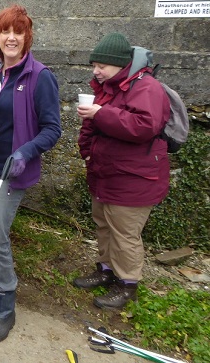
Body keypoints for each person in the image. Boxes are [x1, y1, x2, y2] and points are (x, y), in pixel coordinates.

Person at [0, 5, 61, 343]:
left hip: (12, 171)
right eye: (4, 31)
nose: (10, 37)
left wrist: (25, 152)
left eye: (17, 32)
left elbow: (53, 129)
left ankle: (6, 307)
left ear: (26, 37)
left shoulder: (39, 76)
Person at [73, 32, 170, 310]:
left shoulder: (146, 87)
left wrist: (99, 113)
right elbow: (91, 126)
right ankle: (105, 270)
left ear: (119, 64)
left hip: (134, 179)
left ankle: (128, 286)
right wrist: (87, 151)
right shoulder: (109, 87)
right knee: (104, 224)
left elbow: (143, 126)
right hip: (106, 174)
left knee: (125, 233)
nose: (96, 70)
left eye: (101, 65)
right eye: (94, 65)